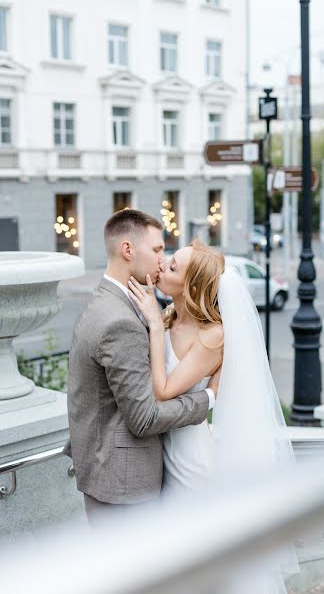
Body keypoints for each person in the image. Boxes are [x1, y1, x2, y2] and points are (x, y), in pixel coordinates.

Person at [128, 238, 298, 593]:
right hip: (166, 447)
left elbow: (163, 390)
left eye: (173, 267)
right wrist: (158, 321)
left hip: (191, 459)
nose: (162, 267)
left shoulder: (211, 335)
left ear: (191, 287)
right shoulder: (172, 316)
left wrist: (155, 326)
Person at [64, 210, 218, 526]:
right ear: (128, 250)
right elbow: (144, 419)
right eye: (158, 249)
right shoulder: (120, 319)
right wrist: (207, 400)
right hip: (123, 482)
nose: (162, 260)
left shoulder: (113, 300)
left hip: (121, 472)